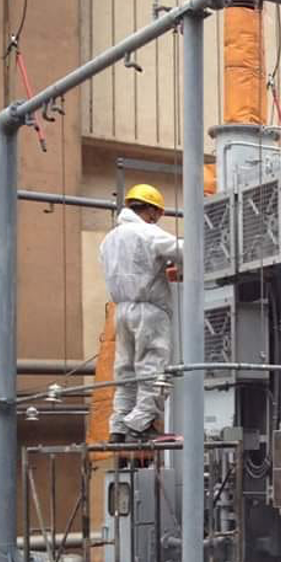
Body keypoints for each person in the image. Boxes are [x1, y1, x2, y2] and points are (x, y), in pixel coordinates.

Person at [99, 184, 181, 443]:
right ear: (152, 211)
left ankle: (118, 427)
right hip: (149, 309)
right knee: (152, 366)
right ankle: (142, 423)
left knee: (125, 370)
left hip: (121, 310)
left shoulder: (109, 240)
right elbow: (184, 250)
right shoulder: (147, 232)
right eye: (158, 214)